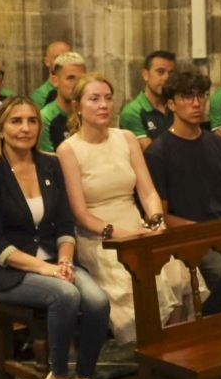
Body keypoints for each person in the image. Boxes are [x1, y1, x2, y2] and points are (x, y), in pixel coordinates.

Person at [0, 95, 111, 379]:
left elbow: (64, 224)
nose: (25, 128)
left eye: (32, 121)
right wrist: (47, 269)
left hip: (54, 260)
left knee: (97, 300)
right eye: (16, 121)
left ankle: (84, 376)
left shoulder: (50, 165)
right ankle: (58, 378)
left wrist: (64, 260)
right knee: (65, 294)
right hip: (9, 270)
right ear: (2, 129)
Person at [57, 74, 171, 341]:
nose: (104, 105)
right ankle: (147, 349)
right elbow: (80, 213)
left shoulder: (127, 138)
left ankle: (174, 350)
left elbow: (147, 191)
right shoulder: (68, 149)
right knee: (132, 283)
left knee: (176, 274)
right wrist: (119, 233)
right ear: (77, 107)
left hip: (136, 224)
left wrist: (156, 221)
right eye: (94, 99)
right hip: (100, 236)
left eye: (108, 98)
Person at [145, 70, 221, 312]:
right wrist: (199, 232)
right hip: (193, 238)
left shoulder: (217, 143)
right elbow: (161, 215)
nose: (196, 103)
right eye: (187, 97)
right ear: (171, 104)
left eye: (201, 96)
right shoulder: (159, 152)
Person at [119, 50, 177, 147]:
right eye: (160, 72)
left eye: (171, 73)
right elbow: (149, 153)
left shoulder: (175, 105)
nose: (167, 77)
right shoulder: (133, 111)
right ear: (145, 74)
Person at [38, 51, 88, 152]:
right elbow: (49, 160)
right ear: (55, 81)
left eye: (81, 79)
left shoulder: (89, 111)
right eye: (71, 78)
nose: (77, 84)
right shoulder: (45, 117)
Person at [29, 39, 71, 109]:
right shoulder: (39, 96)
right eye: (58, 57)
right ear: (47, 62)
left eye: (68, 57)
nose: (64, 61)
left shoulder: (78, 90)